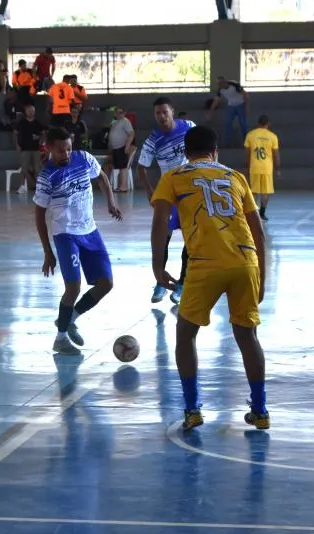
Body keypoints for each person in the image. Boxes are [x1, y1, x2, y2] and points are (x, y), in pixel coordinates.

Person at [150, 125, 268, 432]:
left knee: (186, 335)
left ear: (185, 153)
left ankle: (192, 409)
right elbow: (259, 232)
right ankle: (260, 410)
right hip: (246, 261)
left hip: (205, 264)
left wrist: (157, 265)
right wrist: (263, 276)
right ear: (215, 151)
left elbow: (161, 221)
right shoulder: (235, 177)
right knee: (247, 337)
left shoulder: (174, 177)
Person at [33, 127, 122, 355]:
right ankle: (60, 338)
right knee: (73, 287)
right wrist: (47, 252)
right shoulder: (47, 177)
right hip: (65, 233)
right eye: (61, 151)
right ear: (50, 148)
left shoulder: (83, 159)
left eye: (69, 149)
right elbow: (39, 216)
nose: (67, 154)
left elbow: (101, 177)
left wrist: (110, 202)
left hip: (90, 231)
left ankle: (69, 318)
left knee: (106, 284)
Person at [137, 96, 196, 304]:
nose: (161, 116)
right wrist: (149, 190)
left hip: (190, 190)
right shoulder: (153, 140)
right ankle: (161, 281)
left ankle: (182, 283)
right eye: (157, 113)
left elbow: (203, 148)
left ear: (172, 111)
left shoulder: (188, 127)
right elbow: (141, 167)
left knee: (191, 238)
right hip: (169, 194)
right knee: (164, 238)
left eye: (164, 112)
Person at [244, 115, 280, 221]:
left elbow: (247, 153)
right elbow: (276, 155)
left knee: (254, 192)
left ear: (258, 123)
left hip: (254, 167)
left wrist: (246, 166)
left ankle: (254, 214)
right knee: (265, 192)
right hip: (267, 168)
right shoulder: (272, 136)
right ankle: (262, 214)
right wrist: (278, 169)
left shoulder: (250, 135)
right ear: (268, 123)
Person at [206, 76, 249, 148]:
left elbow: (245, 94)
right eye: (219, 84)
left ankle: (247, 143)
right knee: (227, 124)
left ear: (225, 81)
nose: (220, 85)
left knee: (243, 124)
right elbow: (216, 101)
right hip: (231, 105)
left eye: (222, 83)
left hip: (240, 104)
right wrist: (210, 112)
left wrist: (246, 107)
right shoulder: (220, 90)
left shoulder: (234, 84)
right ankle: (226, 144)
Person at [15, 103, 46, 193]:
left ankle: (40, 187)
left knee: (37, 169)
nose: (31, 112)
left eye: (32, 111)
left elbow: (43, 134)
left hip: (36, 149)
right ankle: (21, 186)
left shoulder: (38, 123)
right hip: (24, 148)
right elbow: (15, 133)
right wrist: (17, 145)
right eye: (29, 111)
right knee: (24, 169)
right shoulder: (21, 123)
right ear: (25, 112)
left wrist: (39, 139)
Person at [103, 107, 135, 192]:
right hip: (115, 149)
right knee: (108, 164)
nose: (119, 114)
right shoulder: (115, 122)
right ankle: (108, 185)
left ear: (124, 113)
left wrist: (127, 146)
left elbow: (131, 134)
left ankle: (123, 186)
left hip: (122, 147)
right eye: (117, 112)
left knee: (123, 167)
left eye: (121, 112)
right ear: (115, 113)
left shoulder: (126, 121)